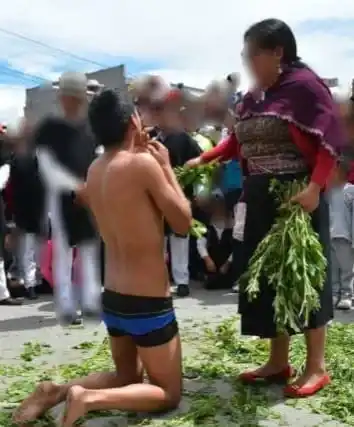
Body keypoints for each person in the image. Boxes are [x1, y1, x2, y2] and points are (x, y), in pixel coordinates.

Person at [13, 89, 191, 426]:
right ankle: (87, 398)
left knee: (127, 377)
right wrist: (165, 166)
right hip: (148, 300)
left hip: (115, 297)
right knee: (168, 392)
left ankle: (57, 390)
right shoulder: (144, 165)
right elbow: (183, 222)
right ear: (132, 122)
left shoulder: (95, 169)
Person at [187, 19, 344, 397]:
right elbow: (237, 143)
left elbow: (330, 140)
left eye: (252, 54)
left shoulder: (305, 87)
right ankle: (278, 362)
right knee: (268, 278)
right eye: (245, 55)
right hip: (258, 195)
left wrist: (314, 188)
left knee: (304, 279)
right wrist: (205, 158)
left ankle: (317, 368)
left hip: (296, 196)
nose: (247, 62)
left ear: (277, 52)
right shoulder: (255, 96)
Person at [328, 157, 354, 310]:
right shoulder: (327, 191)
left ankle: (347, 294)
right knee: (332, 267)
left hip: (344, 235)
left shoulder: (350, 190)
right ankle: (334, 292)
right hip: (329, 234)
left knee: (347, 267)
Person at [196, 190, 234, 290]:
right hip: (212, 263)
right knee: (211, 284)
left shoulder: (232, 222)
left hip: (227, 264)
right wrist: (207, 260)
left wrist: (227, 264)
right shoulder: (206, 223)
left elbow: (237, 247)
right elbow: (200, 243)